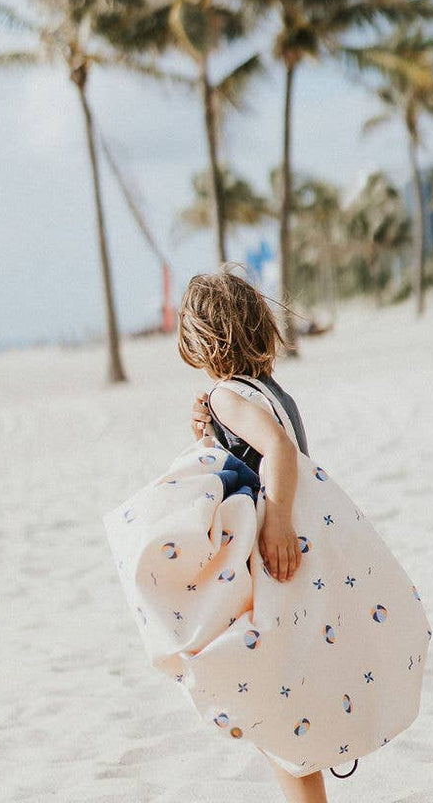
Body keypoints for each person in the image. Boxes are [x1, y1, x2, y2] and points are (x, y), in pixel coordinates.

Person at [178, 269, 330, 803]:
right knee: (283, 713)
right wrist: (210, 433)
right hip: (300, 558)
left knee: (278, 718)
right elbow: (257, 455)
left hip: (273, 561)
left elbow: (280, 455)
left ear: (199, 340)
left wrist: (279, 521)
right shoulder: (270, 391)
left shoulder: (228, 397)